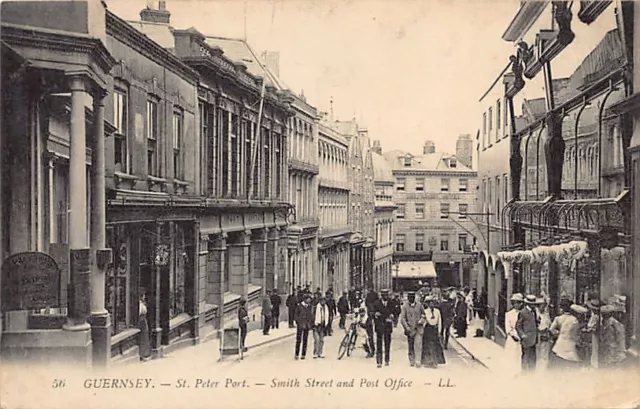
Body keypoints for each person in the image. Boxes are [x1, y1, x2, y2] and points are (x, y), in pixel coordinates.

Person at [549, 300, 584, 370]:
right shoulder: (575, 321)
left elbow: (551, 330)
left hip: (558, 347)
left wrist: (559, 334)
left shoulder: (558, 318)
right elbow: (576, 336)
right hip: (570, 349)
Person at [400, 292, 426, 367]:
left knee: (418, 344)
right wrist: (406, 327)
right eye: (409, 297)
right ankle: (412, 359)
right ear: (408, 298)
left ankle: (418, 360)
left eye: (412, 297)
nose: (411, 299)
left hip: (418, 328)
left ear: (414, 297)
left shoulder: (419, 305)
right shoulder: (405, 306)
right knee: (410, 345)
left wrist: (421, 320)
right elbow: (402, 318)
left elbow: (423, 314)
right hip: (410, 329)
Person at [372, 289, 395, 368]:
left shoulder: (391, 303)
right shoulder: (376, 303)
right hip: (379, 326)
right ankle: (379, 361)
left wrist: (393, 315)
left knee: (387, 343)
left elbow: (396, 311)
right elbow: (371, 313)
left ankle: (387, 360)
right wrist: (375, 314)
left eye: (386, 295)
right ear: (381, 295)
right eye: (383, 295)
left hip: (388, 326)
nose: (385, 296)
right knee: (379, 344)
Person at [421, 295, 446, 368]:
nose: (432, 304)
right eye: (430, 303)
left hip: (434, 330)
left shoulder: (437, 311)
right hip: (428, 330)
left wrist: (439, 331)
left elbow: (440, 321)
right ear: (428, 304)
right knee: (428, 346)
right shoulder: (425, 312)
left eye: (433, 303)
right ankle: (428, 361)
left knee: (435, 346)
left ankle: (435, 362)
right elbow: (424, 322)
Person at [516, 294, 539, 372]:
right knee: (526, 357)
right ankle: (524, 373)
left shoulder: (534, 312)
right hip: (526, 339)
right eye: (532, 304)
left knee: (533, 357)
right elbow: (518, 326)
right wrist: (522, 335)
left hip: (533, 338)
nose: (534, 306)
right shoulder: (523, 312)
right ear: (528, 304)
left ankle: (532, 374)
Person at [505, 293, 524, 376]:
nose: (517, 304)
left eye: (519, 302)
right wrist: (513, 335)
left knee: (519, 355)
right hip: (512, 338)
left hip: (521, 337)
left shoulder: (523, 314)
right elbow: (508, 328)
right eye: (515, 302)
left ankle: (518, 372)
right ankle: (510, 372)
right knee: (511, 355)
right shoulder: (509, 314)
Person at [294, 294, 314, 360]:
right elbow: (296, 314)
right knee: (298, 340)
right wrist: (298, 322)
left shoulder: (310, 307)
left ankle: (303, 354)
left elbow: (311, 315)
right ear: (305, 299)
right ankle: (296, 354)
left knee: (305, 340)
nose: (310, 300)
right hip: (300, 324)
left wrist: (310, 323)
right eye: (308, 299)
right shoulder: (300, 306)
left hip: (307, 325)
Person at [585, 297, 603, 368]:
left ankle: (595, 363)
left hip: (595, 334)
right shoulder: (596, 316)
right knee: (594, 347)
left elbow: (593, 327)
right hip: (595, 334)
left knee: (595, 347)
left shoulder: (595, 317)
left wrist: (588, 329)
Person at [536, 296, 552, 373]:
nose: (544, 307)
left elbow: (549, 324)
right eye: (542, 305)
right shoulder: (535, 314)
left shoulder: (546, 315)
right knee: (538, 355)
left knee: (545, 355)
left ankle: (544, 371)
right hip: (538, 336)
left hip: (546, 336)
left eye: (545, 305)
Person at [139, 292, 151, 361]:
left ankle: (144, 354)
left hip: (143, 321)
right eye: (143, 296)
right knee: (143, 338)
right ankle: (142, 355)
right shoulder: (140, 304)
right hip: (142, 322)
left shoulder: (142, 303)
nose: (144, 297)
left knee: (144, 337)